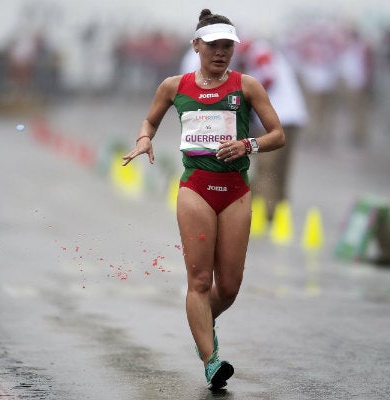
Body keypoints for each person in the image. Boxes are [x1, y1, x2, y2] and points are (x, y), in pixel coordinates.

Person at [122, 9, 285, 390]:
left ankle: (201, 322)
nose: (221, 53)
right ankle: (211, 360)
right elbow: (150, 122)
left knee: (228, 286)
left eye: (228, 46)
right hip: (195, 188)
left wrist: (249, 144)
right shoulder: (173, 87)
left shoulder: (247, 87)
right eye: (213, 46)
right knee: (198, 279)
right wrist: (145, 138)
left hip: (235, 191)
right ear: (196, 45)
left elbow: (278, 134)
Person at [236, 37, 308, 221]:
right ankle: (280, 211)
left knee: (266, 168)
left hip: (276, 118)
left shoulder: (259, 53)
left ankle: (266, 213)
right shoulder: (269, 52)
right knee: (281, 167)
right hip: (292, 116)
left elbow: (267, 78)